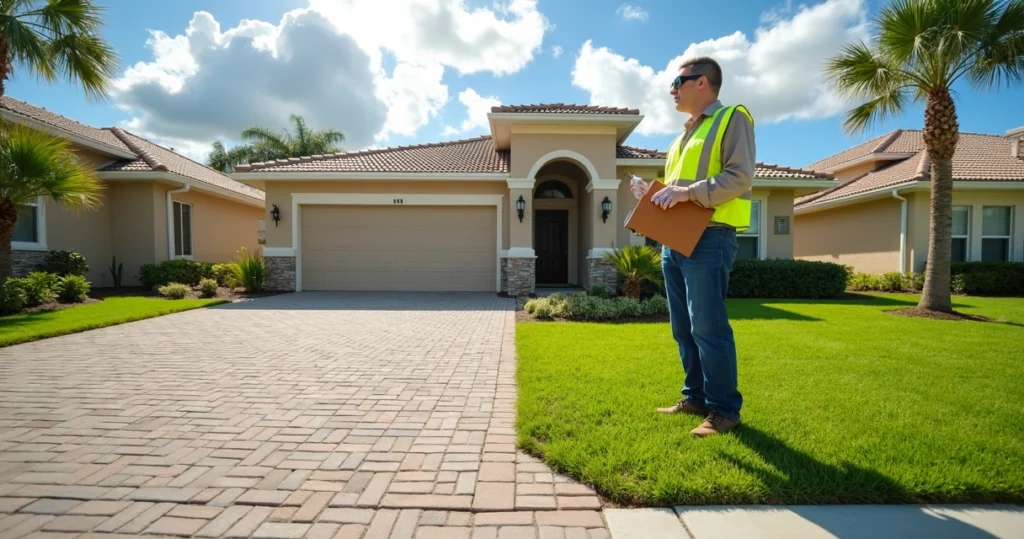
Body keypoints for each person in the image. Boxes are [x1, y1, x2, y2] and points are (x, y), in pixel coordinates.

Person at [630, 56, 755, 437]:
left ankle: (724, 410)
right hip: (675, 242)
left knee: (708, 326)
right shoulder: (681, 138)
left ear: (702, 82)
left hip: (711, 237)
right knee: (683, 327)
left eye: (677, 81)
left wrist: (684, 192)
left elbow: (740, 176)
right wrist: (650, 193)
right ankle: (696, 397)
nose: (672, 89)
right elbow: (675, 196)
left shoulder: (733, 118)